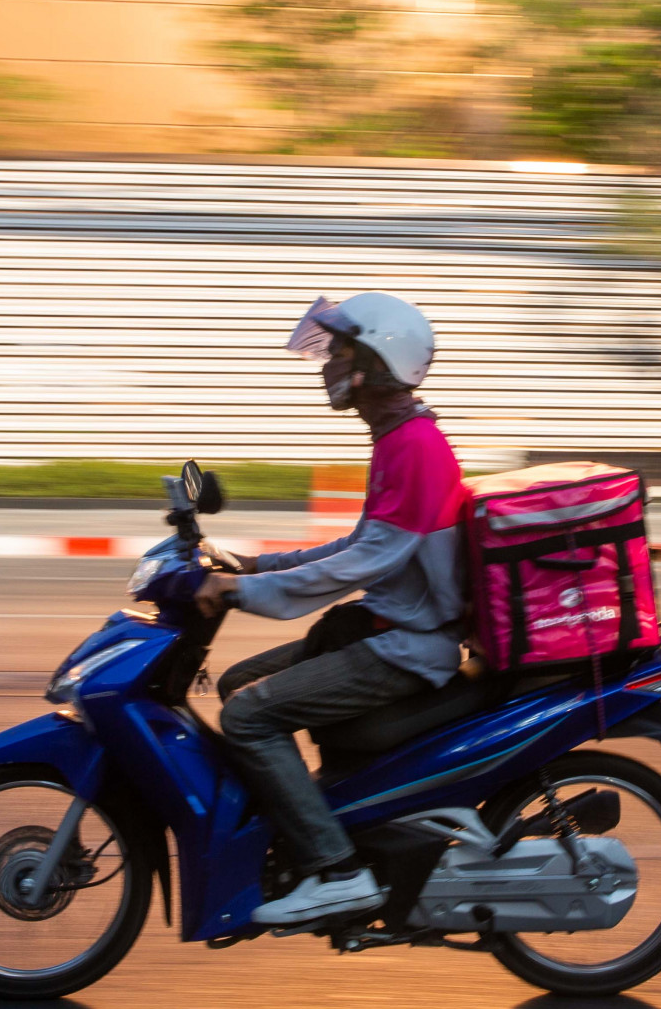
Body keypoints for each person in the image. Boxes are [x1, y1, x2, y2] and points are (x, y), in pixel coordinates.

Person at [195, 292, 468, 925]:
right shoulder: (400, 438)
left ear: (378, 360)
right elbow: (360, 545)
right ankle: (306, 829)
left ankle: (338, 870)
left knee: (248, 717)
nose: (329, 363)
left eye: (343, 350)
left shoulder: (414, 447)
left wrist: (246, 593)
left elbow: (364, 563)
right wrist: (257, 565)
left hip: (407, 644)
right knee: (239, 681)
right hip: (387, 625)